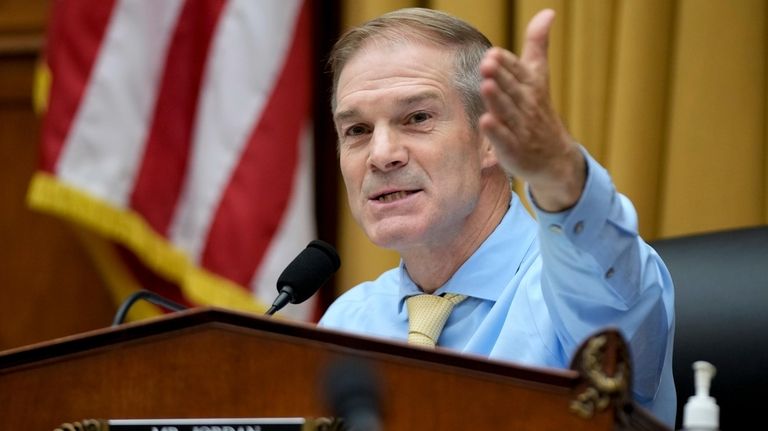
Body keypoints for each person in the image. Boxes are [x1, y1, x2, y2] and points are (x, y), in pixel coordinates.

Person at [319, 7, 675, 427]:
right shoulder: (348, 324)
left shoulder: (579, 288)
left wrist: (559, 172)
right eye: (357, 130)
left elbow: (608, 296)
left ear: (491, 138)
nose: (381, 155)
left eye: (417, 118)